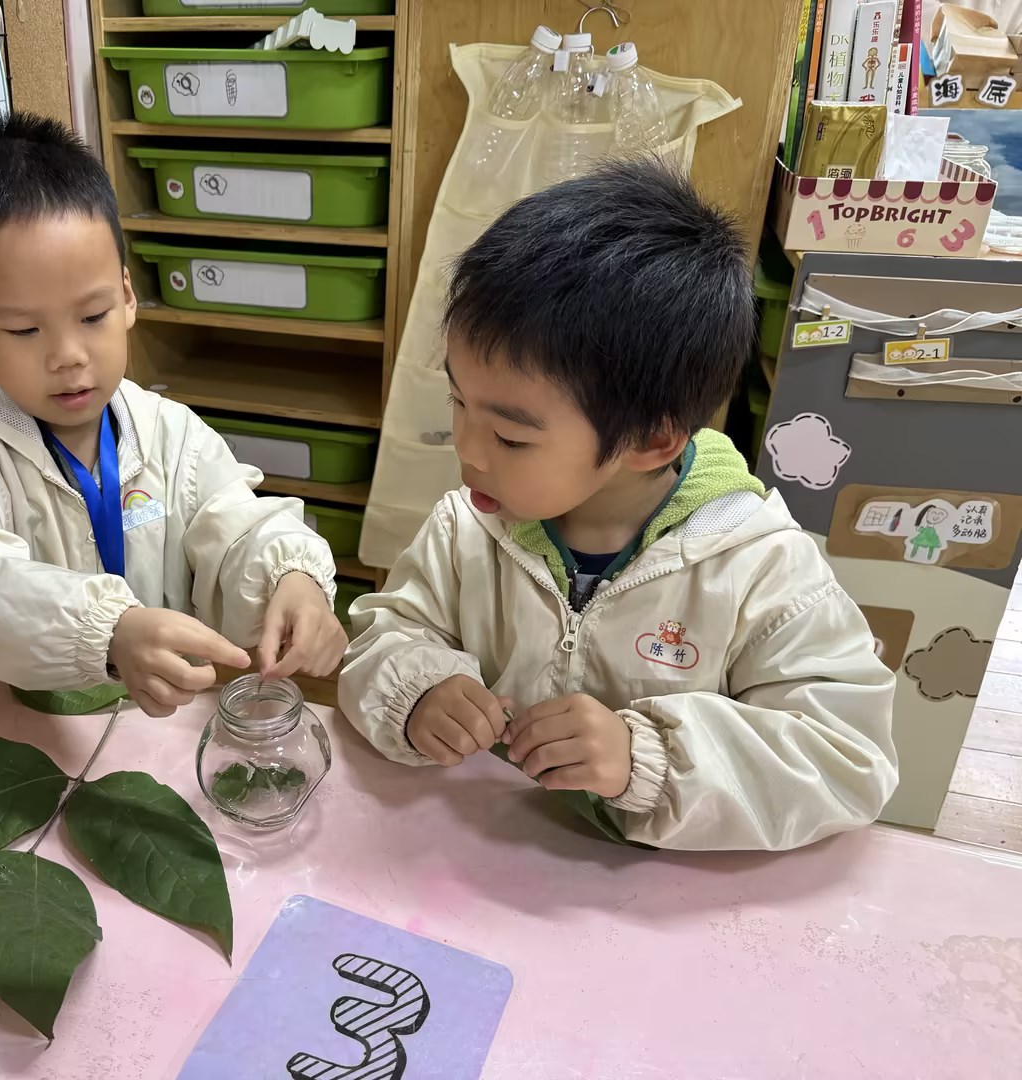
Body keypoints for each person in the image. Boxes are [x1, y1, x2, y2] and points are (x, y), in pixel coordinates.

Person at [339, 160, 897, 851]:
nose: (469, 450)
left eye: (511, 436)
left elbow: (846, 758)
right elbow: (385, 635)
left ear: (651, 439)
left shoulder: (761, 568)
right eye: (457, 401)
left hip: (657, 886)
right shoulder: (465, 530)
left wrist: (647, 759)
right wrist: (416, 690)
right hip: (482, 853)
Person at [0, 110, 347, 717]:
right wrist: (106, 631)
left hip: (155, 720)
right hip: (23, 725)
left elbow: (236, 521)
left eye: (92, 316)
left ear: (128, 297)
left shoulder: (168, 431)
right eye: (24, 330)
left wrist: (293, 577)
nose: (68, 356)